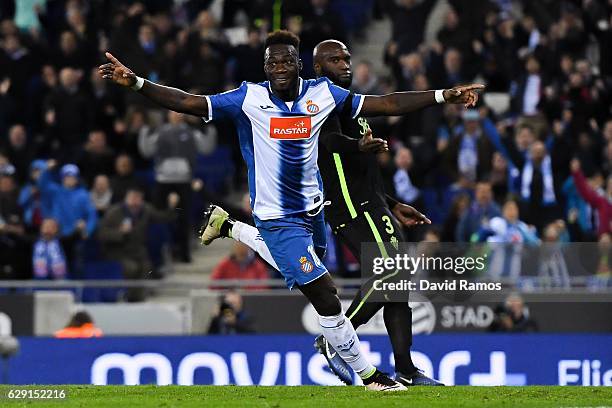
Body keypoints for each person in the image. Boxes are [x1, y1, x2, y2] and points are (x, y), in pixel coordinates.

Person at [99, 29, 482, 391]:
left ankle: (231, 227)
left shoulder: (323, 94)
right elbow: (189, 102)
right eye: (271, 64)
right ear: (265, 67)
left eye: (285, 62)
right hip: (277, 216)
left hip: (312, 211)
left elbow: (386, 104)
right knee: (327, 296)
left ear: (298, 64)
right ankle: (368, 376)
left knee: (307, 273)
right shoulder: (248, 98)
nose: (278, 69)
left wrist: (442, 95)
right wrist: (136, 83)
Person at [98, 188, 179, 302]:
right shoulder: (114, 212)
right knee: (131, 268)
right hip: (118, 251)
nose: (135, 202)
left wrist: (172, 206)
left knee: (146, 267)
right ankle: (128, 297)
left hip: (138, 250)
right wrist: (120, 232)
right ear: (126, 199)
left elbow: (163, 217)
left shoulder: (146, 210)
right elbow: (102, 234)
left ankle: (138, 299)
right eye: (132, 198)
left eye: (138, 198)